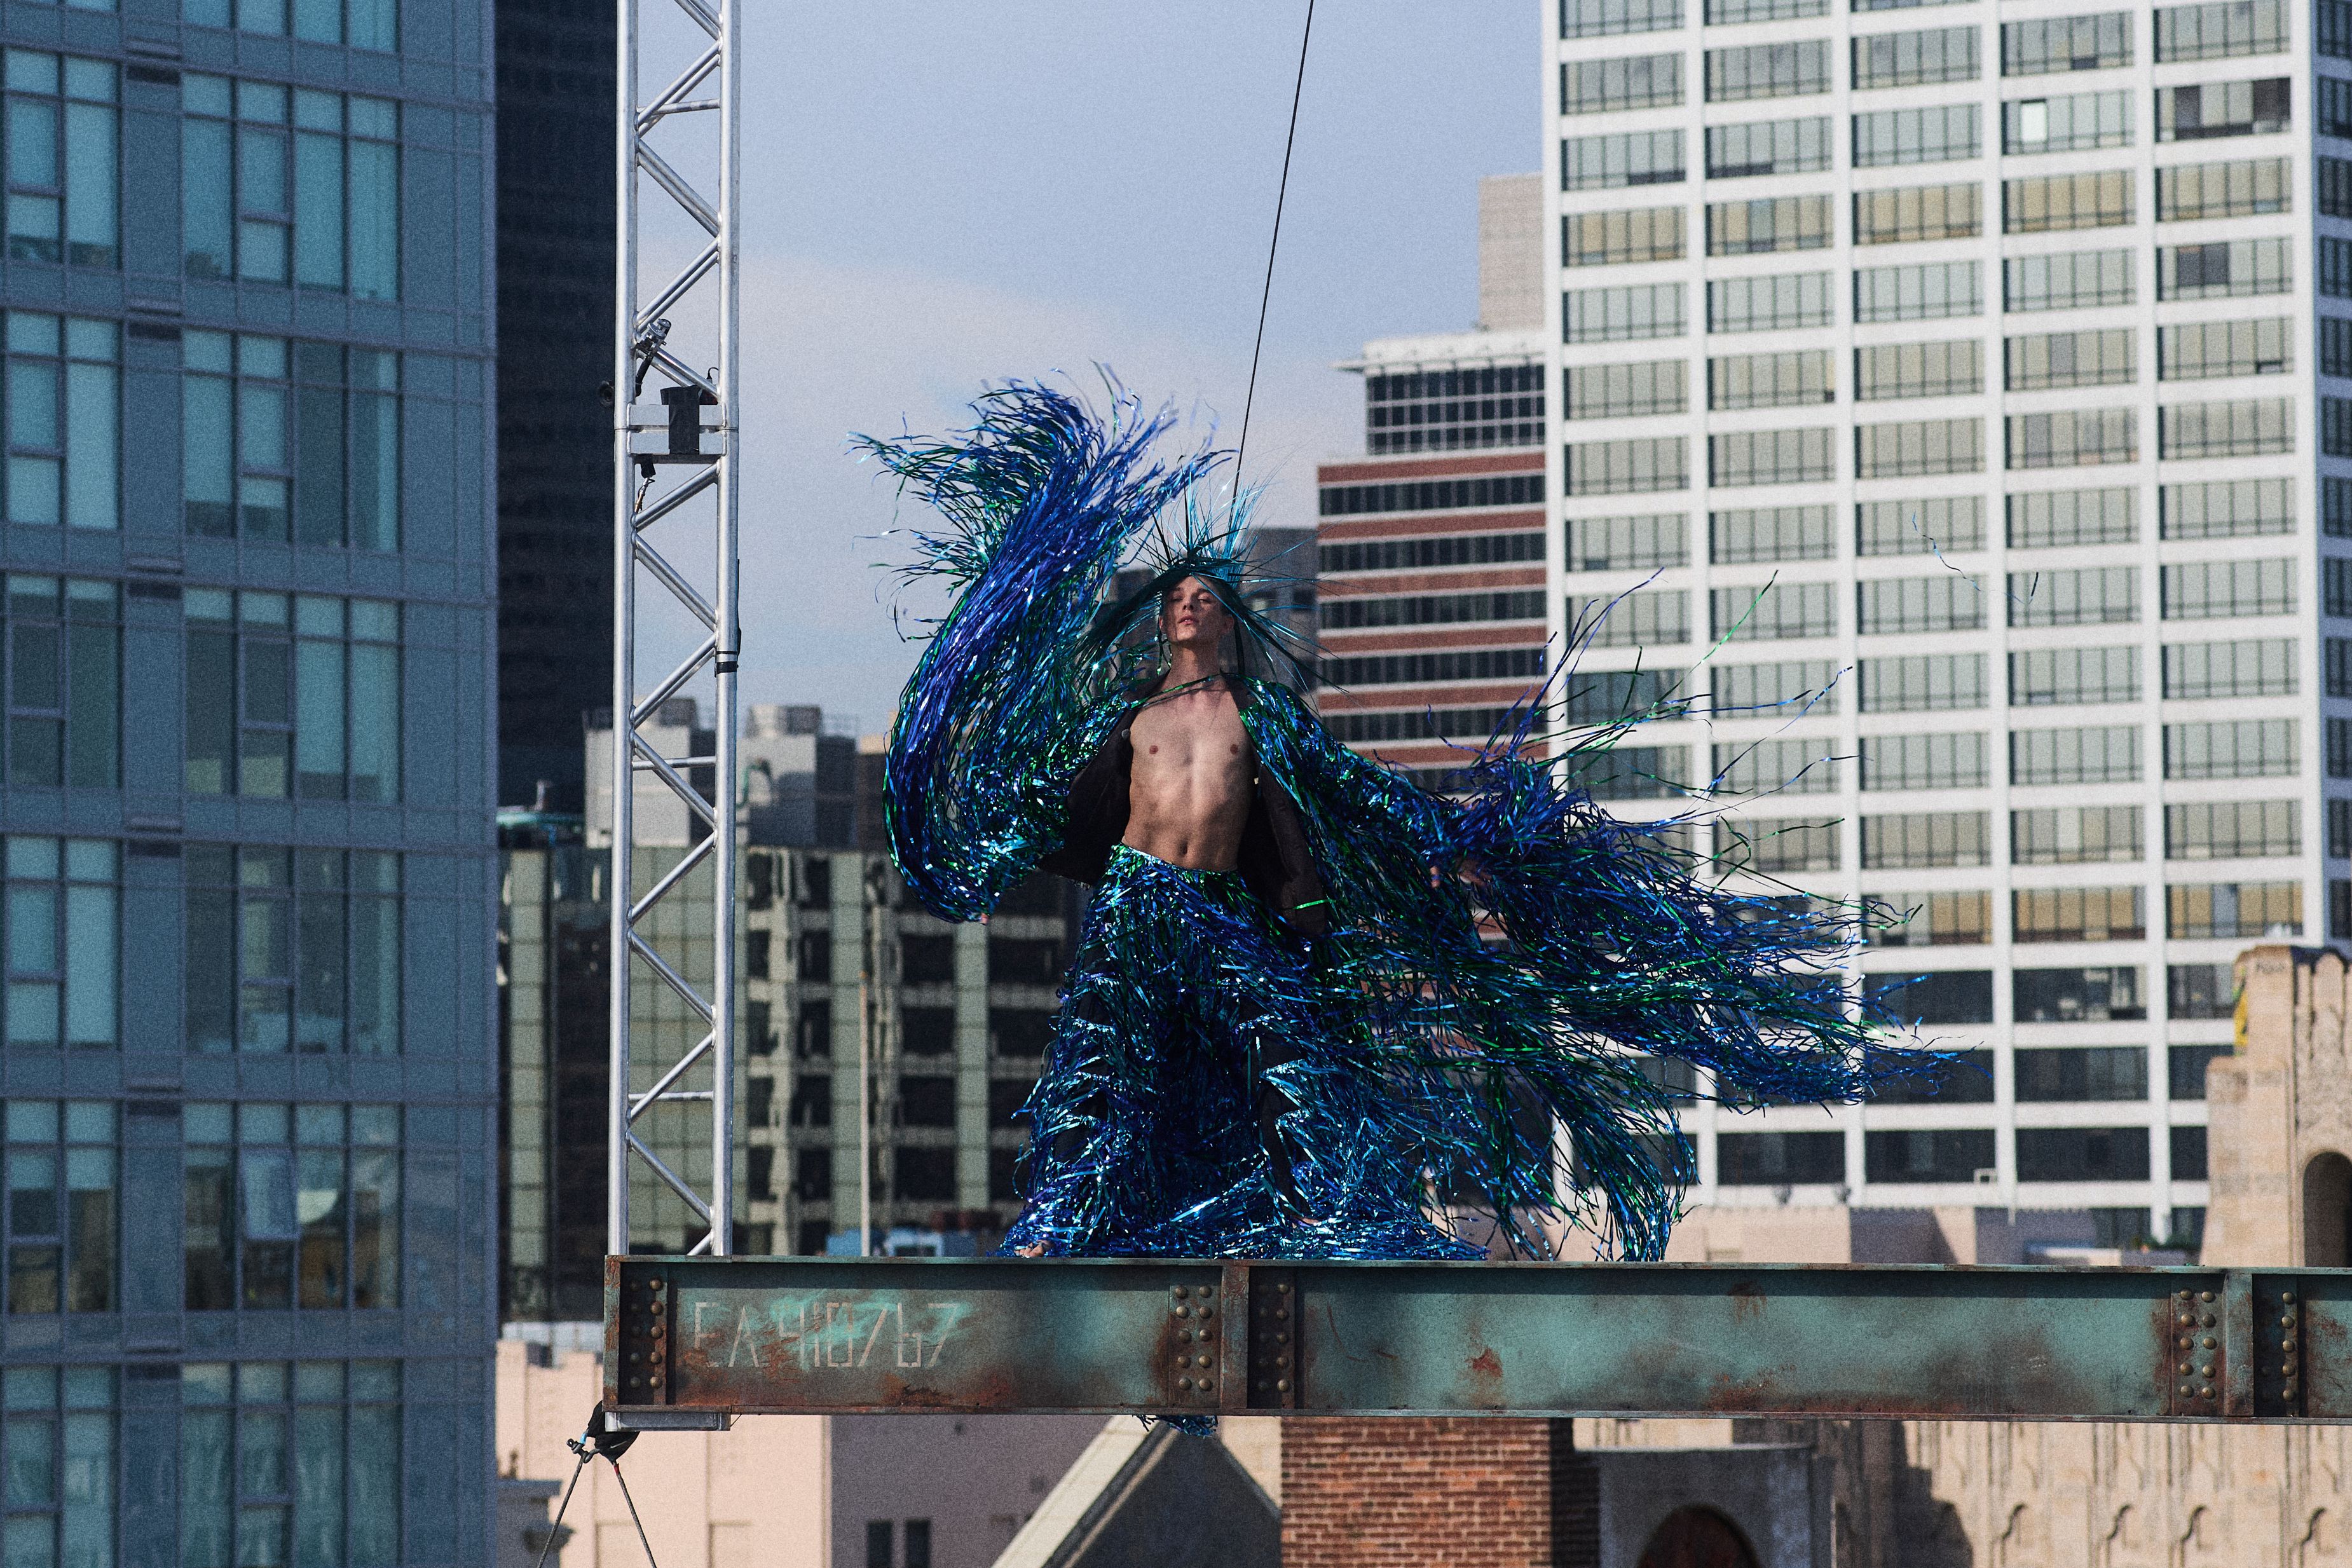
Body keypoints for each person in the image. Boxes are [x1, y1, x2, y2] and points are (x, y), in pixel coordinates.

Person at [862, 381, 1922, 1263]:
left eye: (1205, 596)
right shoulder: (1132, 720)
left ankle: (1337, 1209)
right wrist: (1004, 851)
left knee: (1292, 1048)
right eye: (1176, 598)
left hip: (1221, 911)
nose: (1188, 606)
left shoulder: (1264, 719)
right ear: (1163, 620)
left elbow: (1353, 800)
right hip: (1140, 906)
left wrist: (1434, 851)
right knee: (1106, 1062)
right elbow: (1068, 816)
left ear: (1229, 619)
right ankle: (1067, 1225)